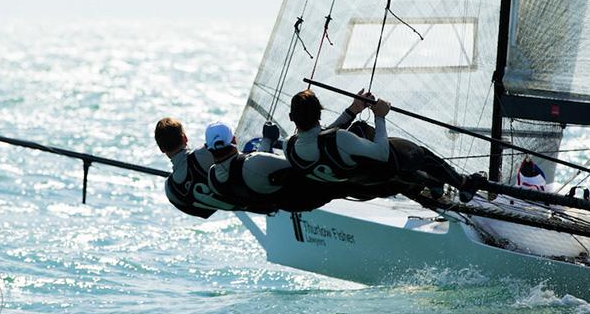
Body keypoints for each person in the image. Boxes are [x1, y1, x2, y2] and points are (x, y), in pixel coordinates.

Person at [283, 89, 481, 202]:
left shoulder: (289, 148)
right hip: (384, 173)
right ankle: (463, 184)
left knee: (362, 137)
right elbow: (382, 154)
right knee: (420, 155)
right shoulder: (341, 139)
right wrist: (380, 116)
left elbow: (322, 138)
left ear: (291, 118)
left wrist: (353, 110)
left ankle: (433, 184)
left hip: (365, 188)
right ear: (320, 113)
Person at [205, 121, 334, 214]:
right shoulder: (255, 162)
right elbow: (300, 162)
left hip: (283, 205)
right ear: (234, 140)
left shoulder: (213, 178)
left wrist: (267, 140)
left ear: (207, 147)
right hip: (310, 196)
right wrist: (268, 138)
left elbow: (250, 168)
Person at [154, 117, 218, 219]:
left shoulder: (170, 190)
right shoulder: (205, 154)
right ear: (185, 138)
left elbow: (203, 213)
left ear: (161, 149)